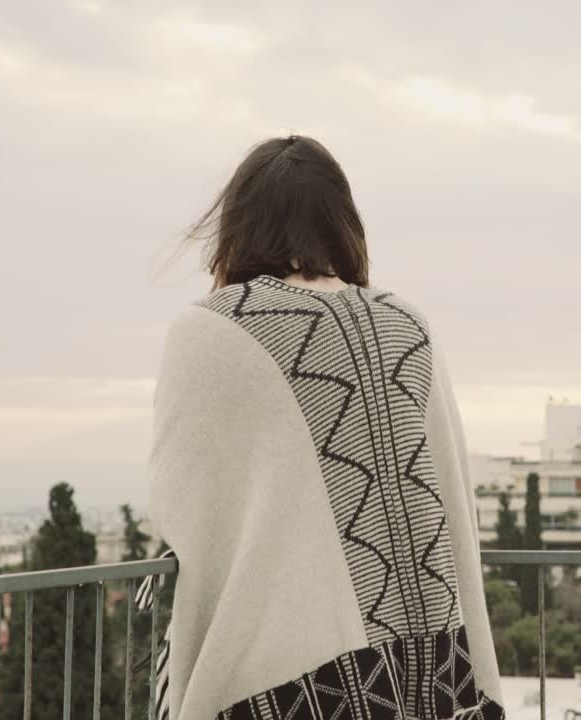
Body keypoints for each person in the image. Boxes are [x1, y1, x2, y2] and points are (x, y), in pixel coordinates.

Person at [145, 136, 506, 720]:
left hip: (289, 680)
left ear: (237, 223)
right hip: (432, 667)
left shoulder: (209, 329)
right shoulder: (407, 324)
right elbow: (450, 495)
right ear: (342, 221)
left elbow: (183, 503)